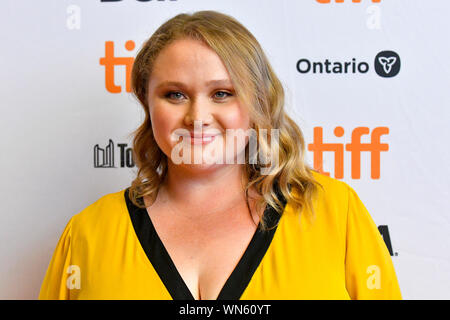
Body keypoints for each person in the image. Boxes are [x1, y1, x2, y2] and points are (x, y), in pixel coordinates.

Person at [39, 10, 401, 300]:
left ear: (258, 101)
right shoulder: (88, 233)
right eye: (175, 94)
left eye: (223, 93)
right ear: (147, 104)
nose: (197, 117)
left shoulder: (334, 214)